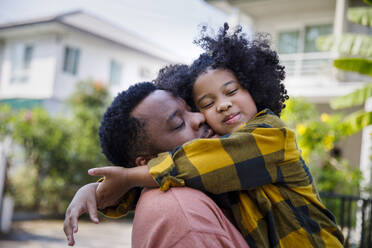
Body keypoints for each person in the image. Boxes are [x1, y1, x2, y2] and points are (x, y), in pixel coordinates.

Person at [92, 24, 344, 247]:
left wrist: (126, 177)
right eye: (206, 104)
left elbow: (193, 164)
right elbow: (166, 177)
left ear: (254, 88)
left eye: (232, 91)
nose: (222, 105)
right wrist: (97, 193)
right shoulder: (202, 161)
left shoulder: (272, 135)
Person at [64, 81, 249, 248]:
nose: (199, 117)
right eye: (178, 124)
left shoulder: (193, 182)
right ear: (146, 162)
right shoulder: (185, 218)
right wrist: (99, 190)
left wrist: (96, 190)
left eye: (189, 108)